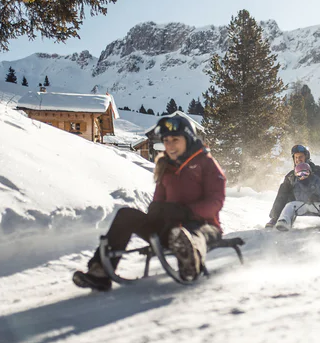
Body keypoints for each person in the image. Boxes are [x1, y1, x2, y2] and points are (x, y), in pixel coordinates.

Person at [72, 114, 226, 291]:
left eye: (175, 139)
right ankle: (100, 272)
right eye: (166, 140)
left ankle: (191, 262)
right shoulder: (166, 166)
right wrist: (157, 210)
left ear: (188, 139)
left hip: (203, 225)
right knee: (126, 215)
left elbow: (216, 201)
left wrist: (186, 211)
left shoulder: (206, 163)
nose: (170, 145)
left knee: (194, 234)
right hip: (169, 229)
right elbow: (158, 200)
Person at [266, 144, 320, 228]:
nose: (298, 160)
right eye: (296, 157)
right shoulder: (291, 175)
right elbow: (283, 195)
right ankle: (276, 218)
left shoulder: (319, 171)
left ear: (306, 157)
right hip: (297, 202)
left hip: (316, 201)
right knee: (284, 187)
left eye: (301, 157)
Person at [275, 163, 320, 231]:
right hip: (300, 205)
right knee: (289, 206)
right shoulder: (296, 184)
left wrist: (316, 195)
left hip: (314, 204)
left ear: (310, 173)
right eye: (300, 174)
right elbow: (297, 195)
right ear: (296, 175)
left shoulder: (315, 180)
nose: (303, 176)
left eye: (305, 173)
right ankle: (284, 221)